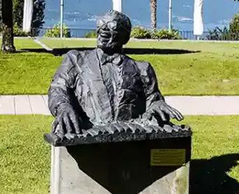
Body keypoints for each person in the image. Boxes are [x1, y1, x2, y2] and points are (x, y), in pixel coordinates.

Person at [47, 10, 183, 135]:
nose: (104, 29)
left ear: (125, 37)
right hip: (89, 129)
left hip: (129, 132)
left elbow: (152, 99)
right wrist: (63, 106)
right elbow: (58, 88)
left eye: (112, 25)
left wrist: (157, 104)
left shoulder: (142, 69)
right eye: (101, 24)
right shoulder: (76, 60)